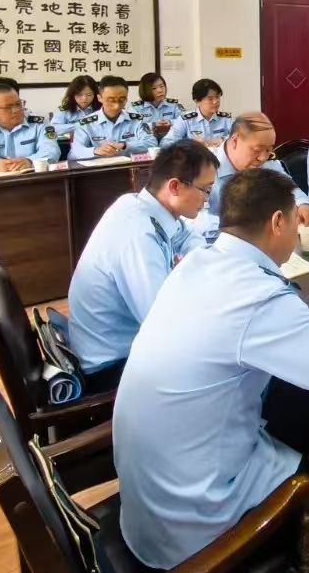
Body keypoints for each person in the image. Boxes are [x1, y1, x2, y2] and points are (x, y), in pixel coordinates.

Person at [114, 169, 309, 570]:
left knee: (296, 400)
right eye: (294, 220)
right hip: (196, 531)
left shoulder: (196, 262)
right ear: (277, 222)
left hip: (151, 500)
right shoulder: (258, 296)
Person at [68, 140, 215, 389]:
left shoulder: (138, 204)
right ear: (175, 186)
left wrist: (196, 263)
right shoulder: (138, 234)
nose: (207, 201)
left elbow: (188, 236)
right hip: (112, 366)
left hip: (127, 344)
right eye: (206, 190)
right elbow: (161, 323)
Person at [202, 112, 309, 228]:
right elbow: (197, 220)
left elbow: (291, 189)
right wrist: (238, 226)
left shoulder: (269, 163)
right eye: (257, 150)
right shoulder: (203, 167)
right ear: (235, 141)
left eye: (269, 150)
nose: (263, 158)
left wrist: (303, 205)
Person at [68, 75, 159, 160]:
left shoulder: (136, 120)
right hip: (99, 168)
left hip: (129, 167)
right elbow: (73, 154)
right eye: (111, 100)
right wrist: (95, 151)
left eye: (121, 100)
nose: (116, 106)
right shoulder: (85, 123)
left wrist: (124, 146)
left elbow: (151, 143)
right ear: (99, 98)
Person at [162, 79, 232, 148]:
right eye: (210, 99)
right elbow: (166, 143)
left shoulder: (226, 119)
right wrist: (189, 145)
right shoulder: (185, 120)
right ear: (197, 101)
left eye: (217, 97)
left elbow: (237, 138)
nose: (215, 101)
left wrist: (221, 140)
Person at [133, 72, 184, 138]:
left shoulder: (174, 105)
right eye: (154, 88)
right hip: (146, 142)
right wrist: (153, 125)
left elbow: (185, 122)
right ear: (145, 91)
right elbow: (132, 128)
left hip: (171, 141)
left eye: (161, 86)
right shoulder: (136, 108)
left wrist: (170, 122)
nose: (160, 90)